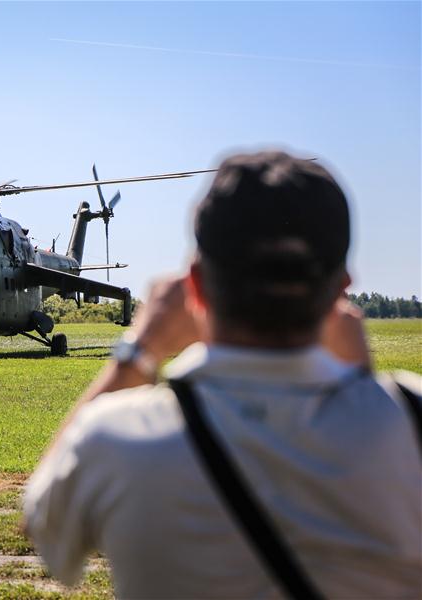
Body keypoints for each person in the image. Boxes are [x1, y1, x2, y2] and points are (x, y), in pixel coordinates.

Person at [23, 151, 421, 598]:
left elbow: (42, 525)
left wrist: (139, 352)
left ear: (193, 284)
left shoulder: (115, 437)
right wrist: (360, 380)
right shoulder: (411, 419)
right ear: (342, 287)